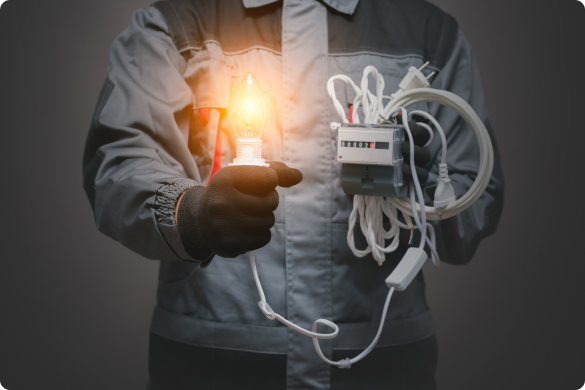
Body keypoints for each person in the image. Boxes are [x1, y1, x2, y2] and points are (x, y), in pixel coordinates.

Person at [82, 0, 505, 388]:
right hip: (215, 369)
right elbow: (118, 165)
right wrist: (194, 213)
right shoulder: (176, 22)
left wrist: (418, 180)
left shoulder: (427, 33)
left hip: (381, 369)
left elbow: (472, 209)